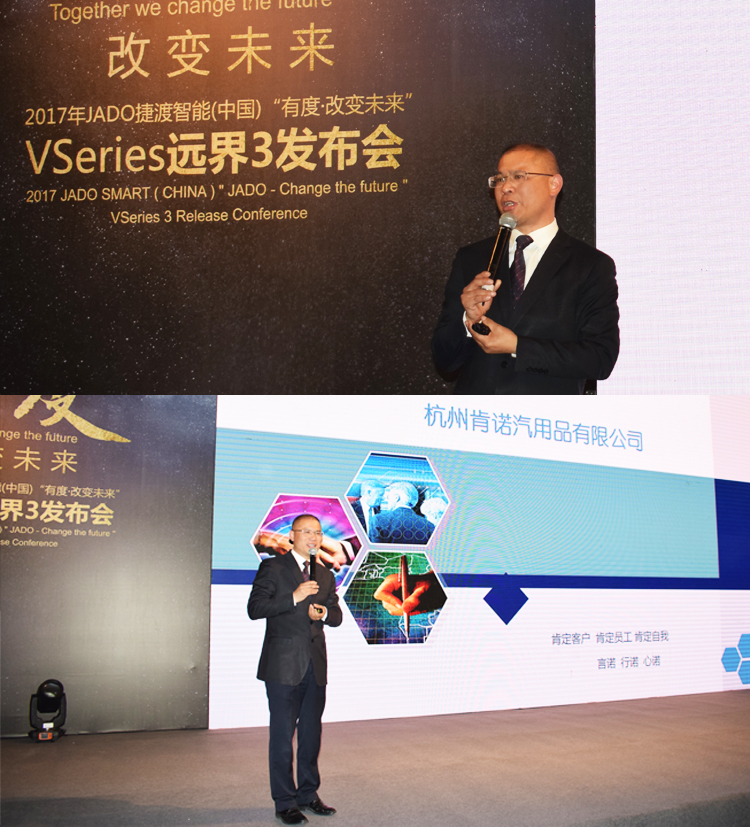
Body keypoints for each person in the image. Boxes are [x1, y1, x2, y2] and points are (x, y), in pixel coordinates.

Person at [432, 143, 620, 394]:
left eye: (518, 176)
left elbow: (599, 359)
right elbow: (444, 360)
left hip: (546, 416)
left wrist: (517, 346)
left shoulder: (590, 265)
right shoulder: (472, 258)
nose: (506, 187)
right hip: (477, 416)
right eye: (500, 179)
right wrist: (467, 319)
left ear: (554, 184)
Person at [248, 514, 342, 825]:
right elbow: (255, 609)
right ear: (292, 535)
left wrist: (323, 613)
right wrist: (294, 597)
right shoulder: (273, 567)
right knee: (282, 736)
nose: (314, 538)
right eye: (306, 532)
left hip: (315, 665)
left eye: (318, 532)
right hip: (283, 666)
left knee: (311, 735)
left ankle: (308, 794)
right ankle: (285, 801)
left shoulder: (325, 574)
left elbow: (336, 615)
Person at [368, 482, 433, 545]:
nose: (387, 500)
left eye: (388, 497)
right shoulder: (429, 526)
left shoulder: (378, 520)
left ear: (396, 498)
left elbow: (374, 551)